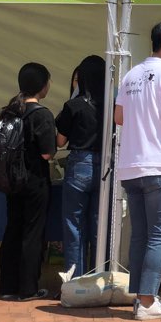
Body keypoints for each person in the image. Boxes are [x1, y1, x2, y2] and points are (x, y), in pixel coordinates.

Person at [114, 20, 161, 320]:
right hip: (159, 164)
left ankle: (142, 298)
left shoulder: (130, 74)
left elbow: (119, 117)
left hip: (131, 165)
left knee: (140, 235)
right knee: (159, 235)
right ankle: (147, 302)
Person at [0, 63, 56, 301]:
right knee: (32, 233)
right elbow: (47, 154)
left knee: (12, 229)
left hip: (11, 181)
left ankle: (8, 287)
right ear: (42, 85)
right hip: (34, 181)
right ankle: (28, 289)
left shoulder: (10, 111)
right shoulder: (42, 114)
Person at [56, 55, 105, 279]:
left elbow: (60, 141)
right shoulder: (112, 106)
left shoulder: (73, 105)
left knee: (74, 225)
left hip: (79, 164)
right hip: (105, 165)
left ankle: (75, 280)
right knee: (99, 225)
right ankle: (98, 278)